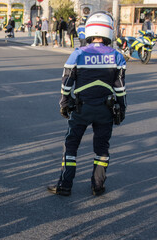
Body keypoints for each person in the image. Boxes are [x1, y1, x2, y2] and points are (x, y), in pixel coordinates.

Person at [47, 11, 127, 197]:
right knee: (102, 148)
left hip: (81, 108)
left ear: (89, 30)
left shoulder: (78, 54)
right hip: (105, 110)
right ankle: (97, 186)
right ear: (109, 31)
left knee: (72, 144)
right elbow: (121, 88)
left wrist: (64, 103)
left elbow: (66, 84)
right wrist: (121, 108)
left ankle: (65, 185)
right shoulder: (117, 56)